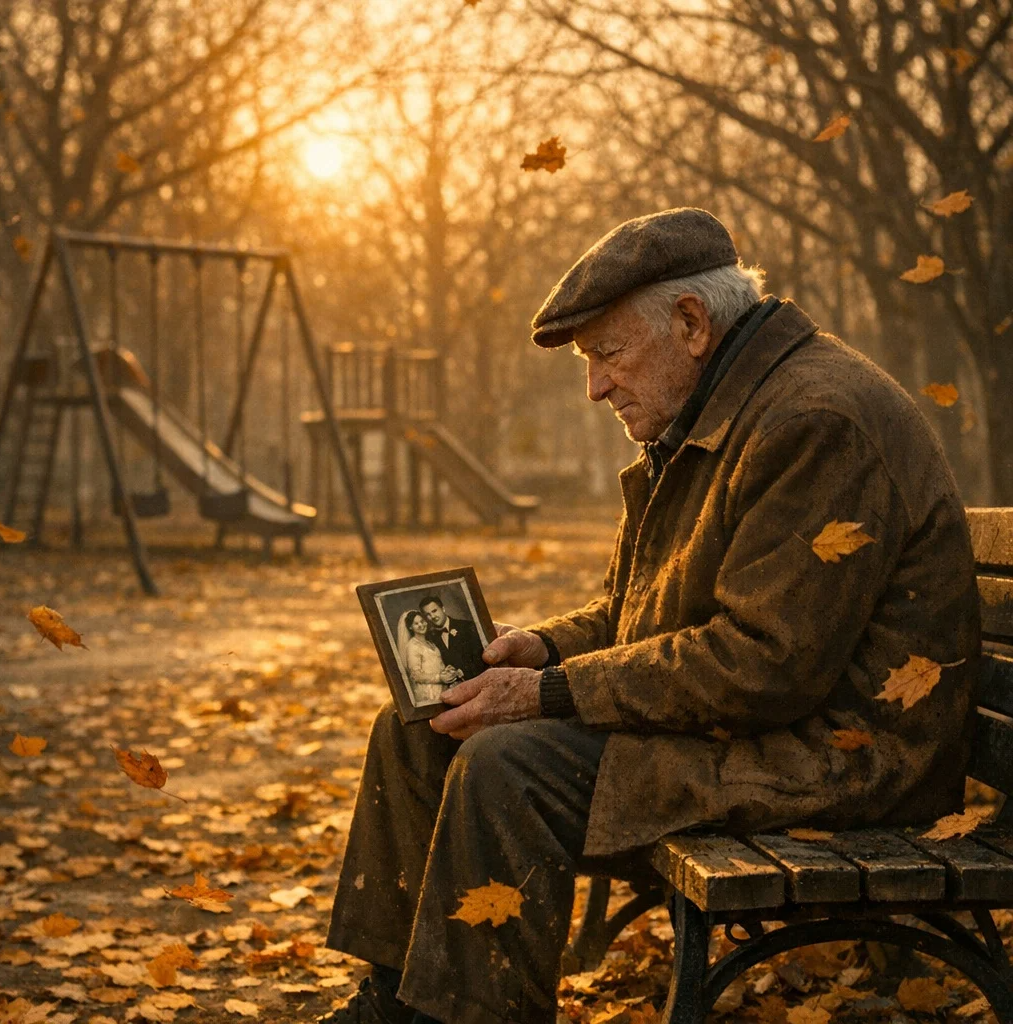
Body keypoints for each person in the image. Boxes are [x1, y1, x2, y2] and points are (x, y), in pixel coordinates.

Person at [320, 208, 980, 1024]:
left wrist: (547, 693)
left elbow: (765, 664)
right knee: (417, 724)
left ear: (693, 322)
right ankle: (393, 1007)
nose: (595, 385)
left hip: (845, 755)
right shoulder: (712, 416)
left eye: (606, 353)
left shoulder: (812, 421)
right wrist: (541, 648)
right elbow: (636, 610)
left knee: (507, 765)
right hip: (762, 732)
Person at [419, 595, 486, 684]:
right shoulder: (430, 637)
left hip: (478, 681)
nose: (433, 616)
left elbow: (481, 657)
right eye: (428, 614)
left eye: (434, 611)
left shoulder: (467, 626)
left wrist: (462, 672)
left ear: (443, 609)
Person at [398, 610, 460, 705]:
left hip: (442, 687)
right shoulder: (412, 646)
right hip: (429, 692)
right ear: (410, 627)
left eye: (422, 621)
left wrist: (446, 670)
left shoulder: (430, 642)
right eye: (416, 623)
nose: (421, 625)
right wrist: (439, 677)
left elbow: (435, 664)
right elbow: (415, 675)